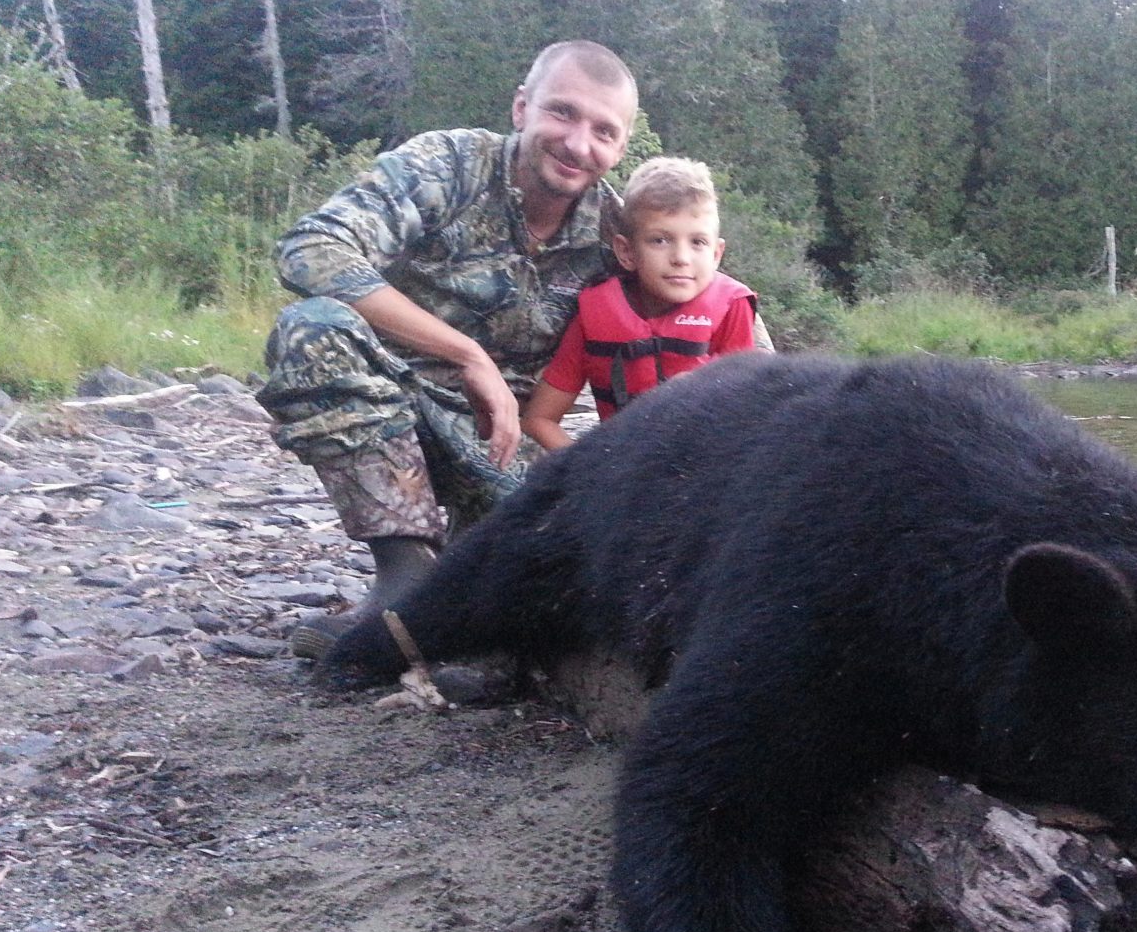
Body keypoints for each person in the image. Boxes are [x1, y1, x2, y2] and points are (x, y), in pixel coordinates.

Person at [254, 41, 676, 659]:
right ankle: (405, 576)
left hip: (501, 442)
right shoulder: (448, 165)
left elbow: (698, 310)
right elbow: (311, 250)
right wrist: (466, 355)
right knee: (312, 330)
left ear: (621, 145)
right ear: (522, 108)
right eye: (562, 113)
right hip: (394, 397)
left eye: (604, 131)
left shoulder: (615, 233)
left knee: (551, 591)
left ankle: (460, 613)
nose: (579, 144)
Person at [521, 157, 766, 452]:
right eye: (660, 240)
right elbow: (539, 419)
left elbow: (747, 417)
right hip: (625, 470)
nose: (681, 258)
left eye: (698, 242)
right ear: (626, 252)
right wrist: (592, 470)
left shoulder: (732, 308)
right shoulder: (595, 314)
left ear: (716, 253)